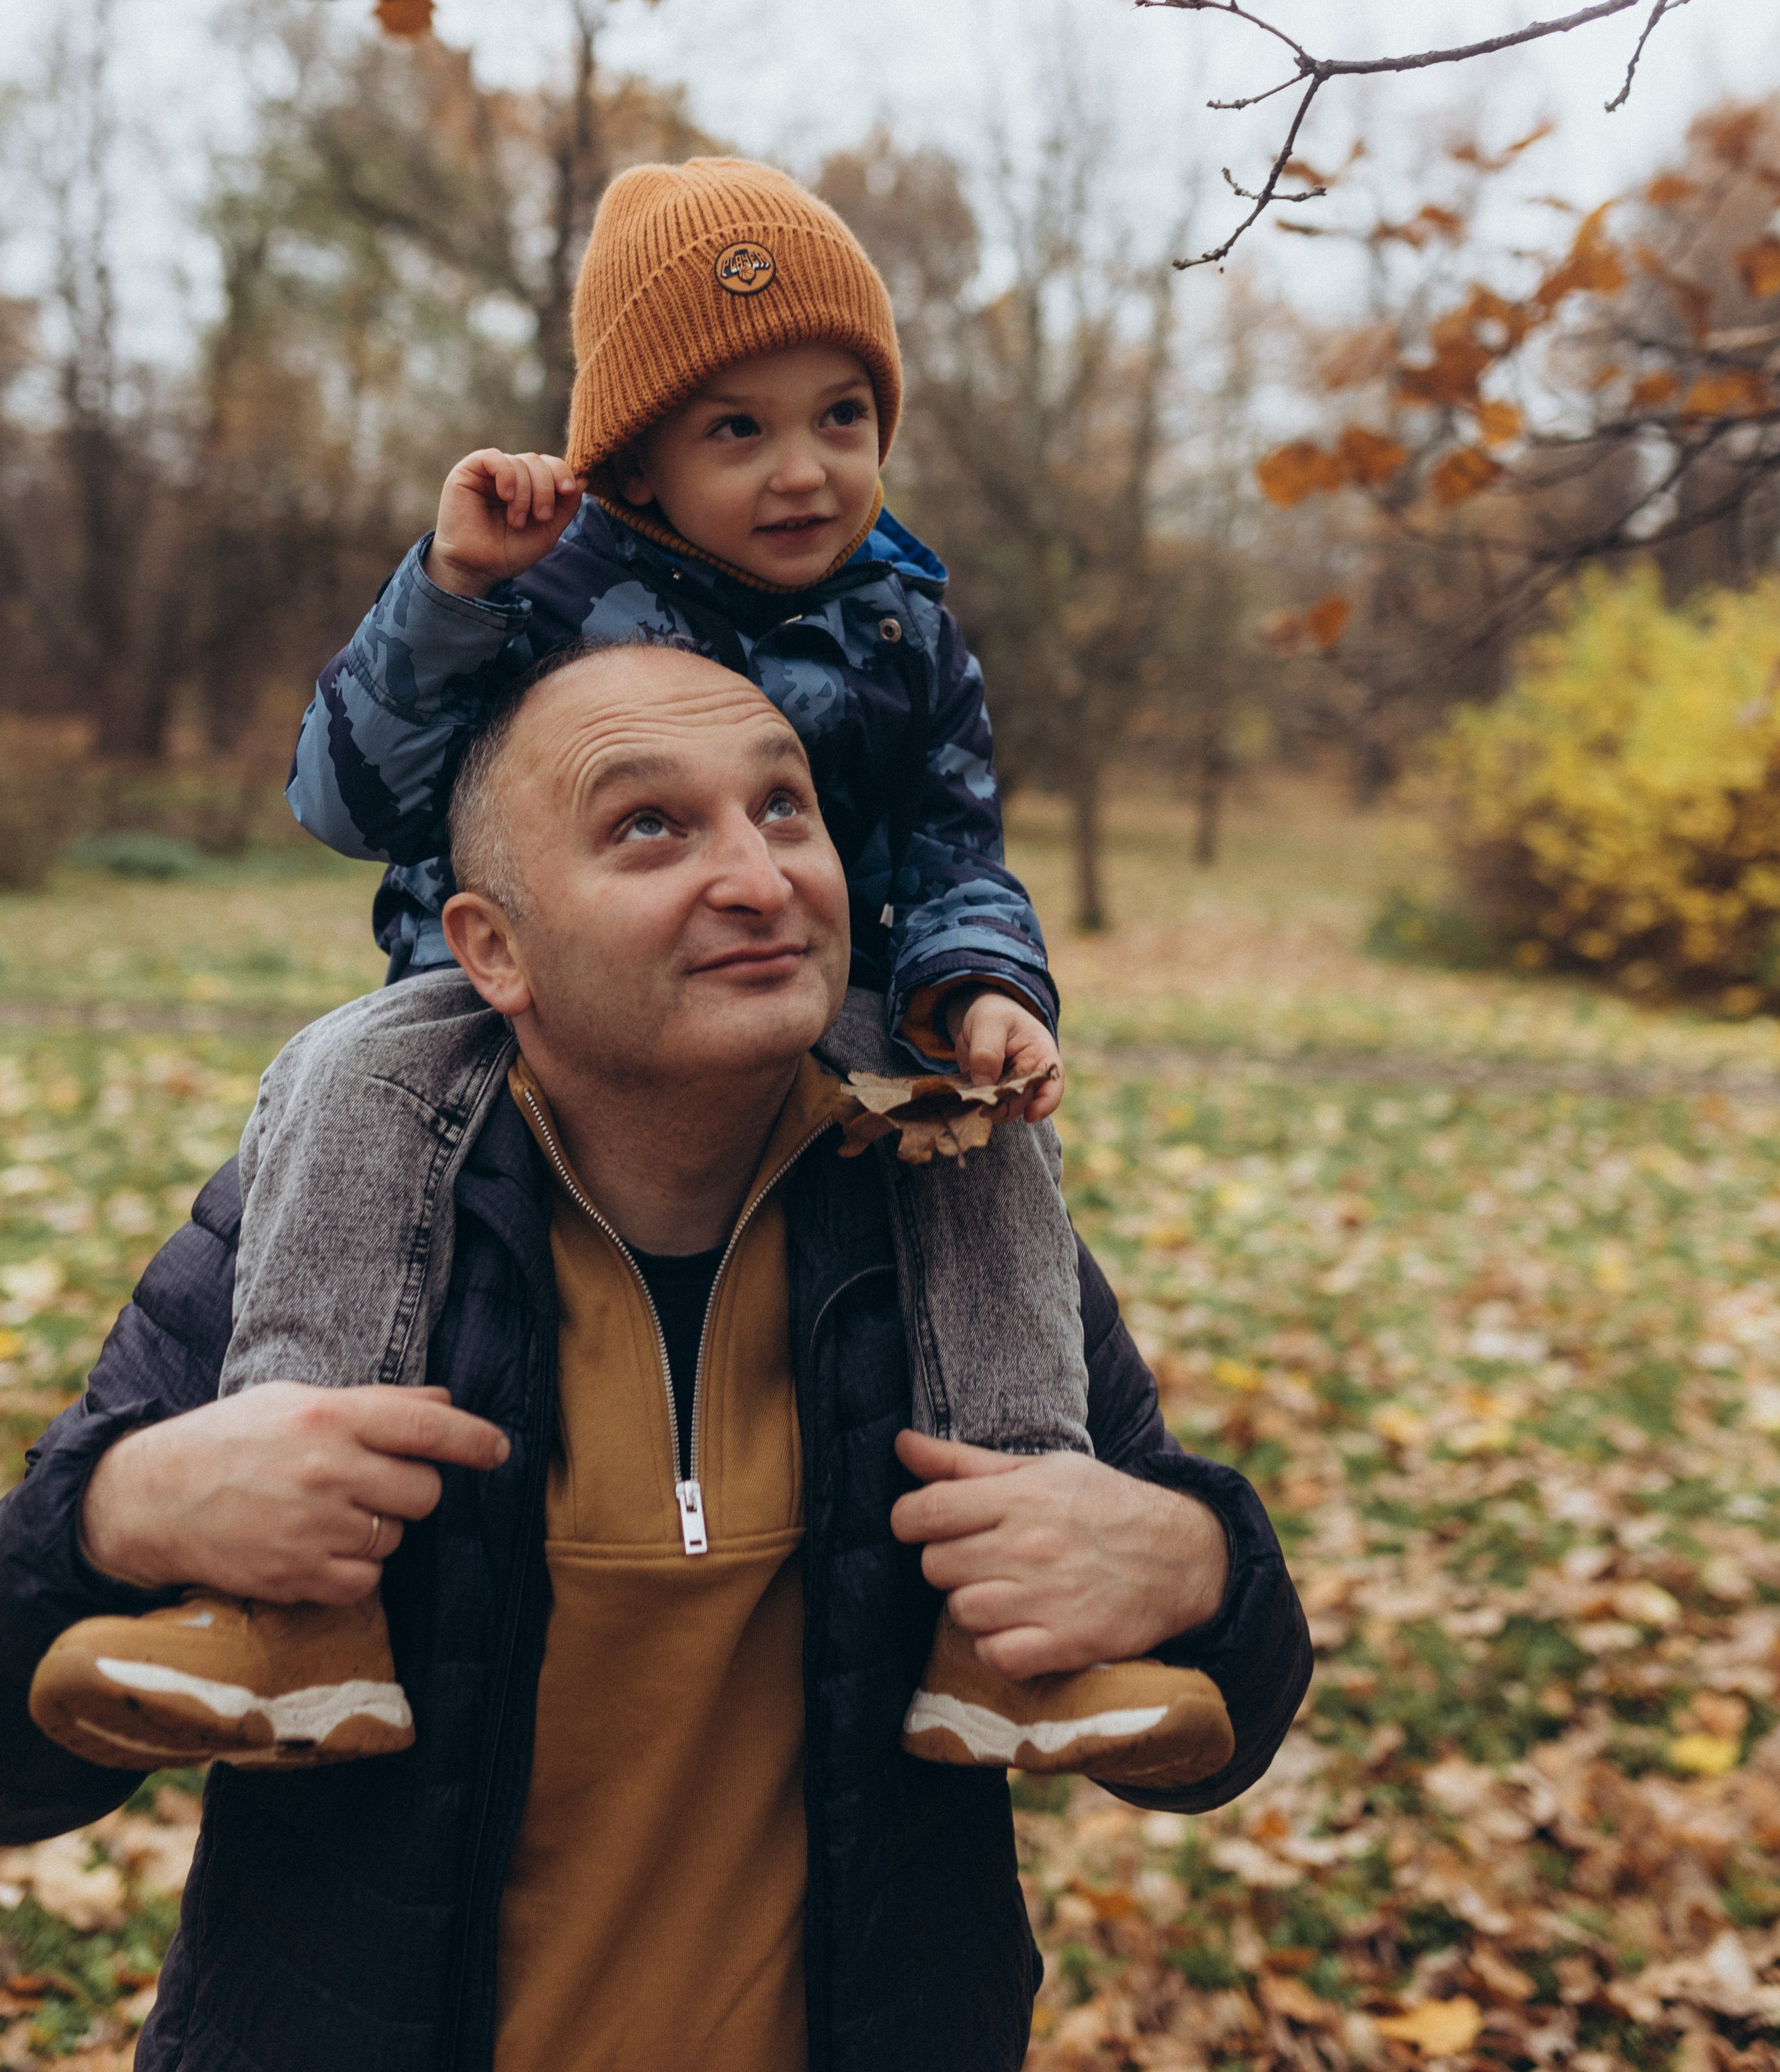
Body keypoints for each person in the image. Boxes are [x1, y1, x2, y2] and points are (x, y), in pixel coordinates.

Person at [4, 646, 1313, 2072]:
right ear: (490, 949)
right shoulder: (330, 1223)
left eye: (785, 811)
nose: (759, 877)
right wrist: (112, 1513)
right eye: (648, 826)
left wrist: (1192, 1565)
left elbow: (1216, 1730)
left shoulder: (942, 1203)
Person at [54, 154, 1159, 1771]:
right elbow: (348, 801)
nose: (805, 470)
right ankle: (292, 1590)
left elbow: (948, 847)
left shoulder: (900, 628)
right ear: (634, 447)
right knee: (347, 1067)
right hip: (495, 1008)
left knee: (974, 1125)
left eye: (841, 415)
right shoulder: (539, 589)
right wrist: (447, 595)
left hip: (819, 1005)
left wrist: (980, 992)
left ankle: (1013, 1624)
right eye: (738, 428)